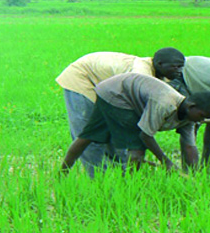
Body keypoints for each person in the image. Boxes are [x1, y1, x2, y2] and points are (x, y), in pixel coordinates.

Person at [56, 48, 185, 176]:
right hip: (82, 78)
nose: (180, 71)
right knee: (89, 134)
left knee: (112, 133)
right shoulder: (141, 73)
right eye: (176, 67)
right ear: (160, 64)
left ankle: (119, 175)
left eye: (181, 66)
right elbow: (136, 117)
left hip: (110, 91)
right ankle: (96, 178)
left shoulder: (161, 75)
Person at [60, 73, 210, 175]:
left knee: (88, 136)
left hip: (113, 90)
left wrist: (193, 175)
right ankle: (130, 187)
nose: (202, 121)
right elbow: (145, 135)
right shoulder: (164, 104)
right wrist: (166, 162)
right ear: (191, 106)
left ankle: (61, 173)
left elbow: (189, 146)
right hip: (119, 94)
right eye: (202, 116)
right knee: (137, 149)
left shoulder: (189, 119)